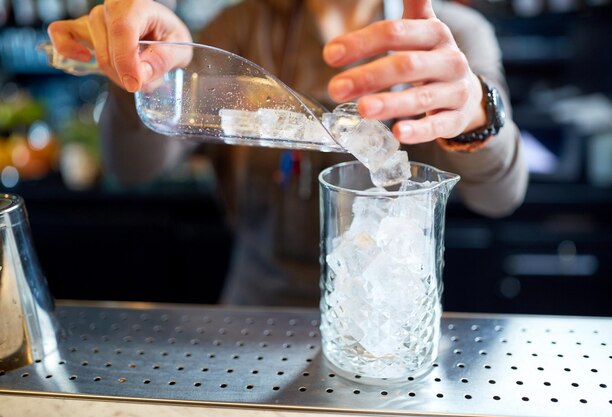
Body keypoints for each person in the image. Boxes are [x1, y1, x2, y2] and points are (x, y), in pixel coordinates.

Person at [48, 0, 527, 306]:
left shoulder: (453, 33)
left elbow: (502, 196)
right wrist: (141, 68)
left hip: (390, 317)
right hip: (256, 313)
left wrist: (477, 111)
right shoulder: (239, 26)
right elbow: (131, 167)